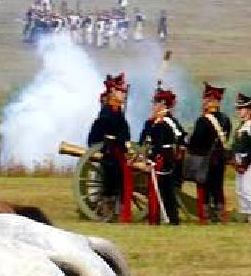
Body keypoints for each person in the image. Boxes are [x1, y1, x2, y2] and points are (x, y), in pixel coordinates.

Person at [139, 88, 186, 225]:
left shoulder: (168, 121)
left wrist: (153, 158)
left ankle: (170, 218)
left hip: (165, 158)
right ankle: (159, 217)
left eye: (156, 103)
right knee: (159, 190)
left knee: (166, 190)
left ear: (163, 104)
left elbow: (180, 137)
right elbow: (144, 139)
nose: (154, 106)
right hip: (157, 156)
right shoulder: (153, 121)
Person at [88, 75, 132, 215]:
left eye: (124, 92)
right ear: (113, 92)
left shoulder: (117, 110)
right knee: (111, 177)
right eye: (121, 92)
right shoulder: (107, 112)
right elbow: (98, 133)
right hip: (109, 151)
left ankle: (118, 207)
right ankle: (107, 206)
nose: (123, 94)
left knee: (119, 178)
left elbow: (124, 130)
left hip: (118, 149)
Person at [187, 83, 231, 223]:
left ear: (210, 100)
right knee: (218, 187)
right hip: (220, 158)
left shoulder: (203, 120)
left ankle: (205, 216)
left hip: (206, 158)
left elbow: (195, 141)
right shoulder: (226, 119)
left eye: (206, 99)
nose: (204, 102)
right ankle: (220, 214)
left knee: (205, 187)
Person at [230, 92, 251, 224]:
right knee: (239, 189)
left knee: (247, 189)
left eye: (241, 108)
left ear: (249, 109)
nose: (239, 111)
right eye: (238, 108)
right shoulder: (241, 125)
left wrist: (245, 163)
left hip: (247, 160)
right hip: (239, 159)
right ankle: (245, 213)